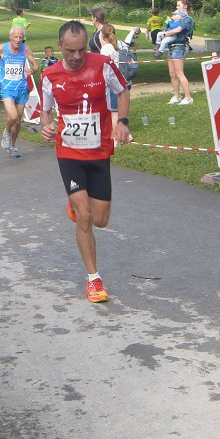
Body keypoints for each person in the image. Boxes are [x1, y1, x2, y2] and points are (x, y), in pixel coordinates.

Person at [39, 20, 131, 303]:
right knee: (85, 215)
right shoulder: (50, 75)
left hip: (99, 150)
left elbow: (123, 90)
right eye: (70, 51)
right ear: (60, 47)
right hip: (69, 153)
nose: (76, 57)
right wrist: (47, 126)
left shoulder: (103, 64)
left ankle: (75, 205)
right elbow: (45, 113)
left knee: (101, 220)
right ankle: (94, 279)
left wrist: (122, 122)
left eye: (80, 50)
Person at [0, 27, 37, 159]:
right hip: (7, 88)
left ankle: (13, 145)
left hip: (22, 88)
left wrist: (33, 70)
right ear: (10, 37)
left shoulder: (25, 49)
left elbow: (36, 64)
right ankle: (6, 132)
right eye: (15, 37)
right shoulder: (2, 48)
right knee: (13, 115)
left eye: (20, 37)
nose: (18, 40)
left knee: (18, 120)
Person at [163, 0, 194, 105]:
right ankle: (176, 96)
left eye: (179, 5)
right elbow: (170, 28)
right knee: (172, 74)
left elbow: (179, 29)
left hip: (179, 47)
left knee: (179, 73)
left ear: (185, 6)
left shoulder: (187, 19)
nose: (176, 7)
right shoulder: (176, 17)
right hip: (171, 47)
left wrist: (166, 34)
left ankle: (188, 98)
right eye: (176, 5)